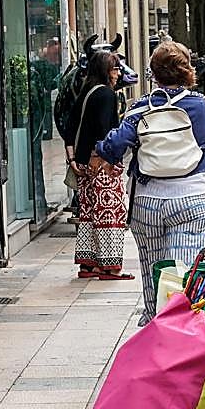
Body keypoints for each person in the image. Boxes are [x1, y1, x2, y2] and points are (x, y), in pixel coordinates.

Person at [95, 41, 205, 323]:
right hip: (190, 199)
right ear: (186, 70)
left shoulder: (141, 107)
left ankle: (154, 321)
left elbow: (115, 145)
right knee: (183, 274)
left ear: (154, 73)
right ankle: (181, 329)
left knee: (153, 270)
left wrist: (100, 150)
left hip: (147, 202)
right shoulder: (198, 104)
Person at [65, 50, 132, 281]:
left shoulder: (86, 92)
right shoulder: (106, 94)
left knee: (88, 211)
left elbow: (69, 127)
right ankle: (109, 267)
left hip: (83, 163)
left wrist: (72, 159)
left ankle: (88, 264)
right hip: (102, 163)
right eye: (115, 69)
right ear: (106, 71)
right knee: (110, 211)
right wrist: (109, 159)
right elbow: (106, 132)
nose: (118, 73)